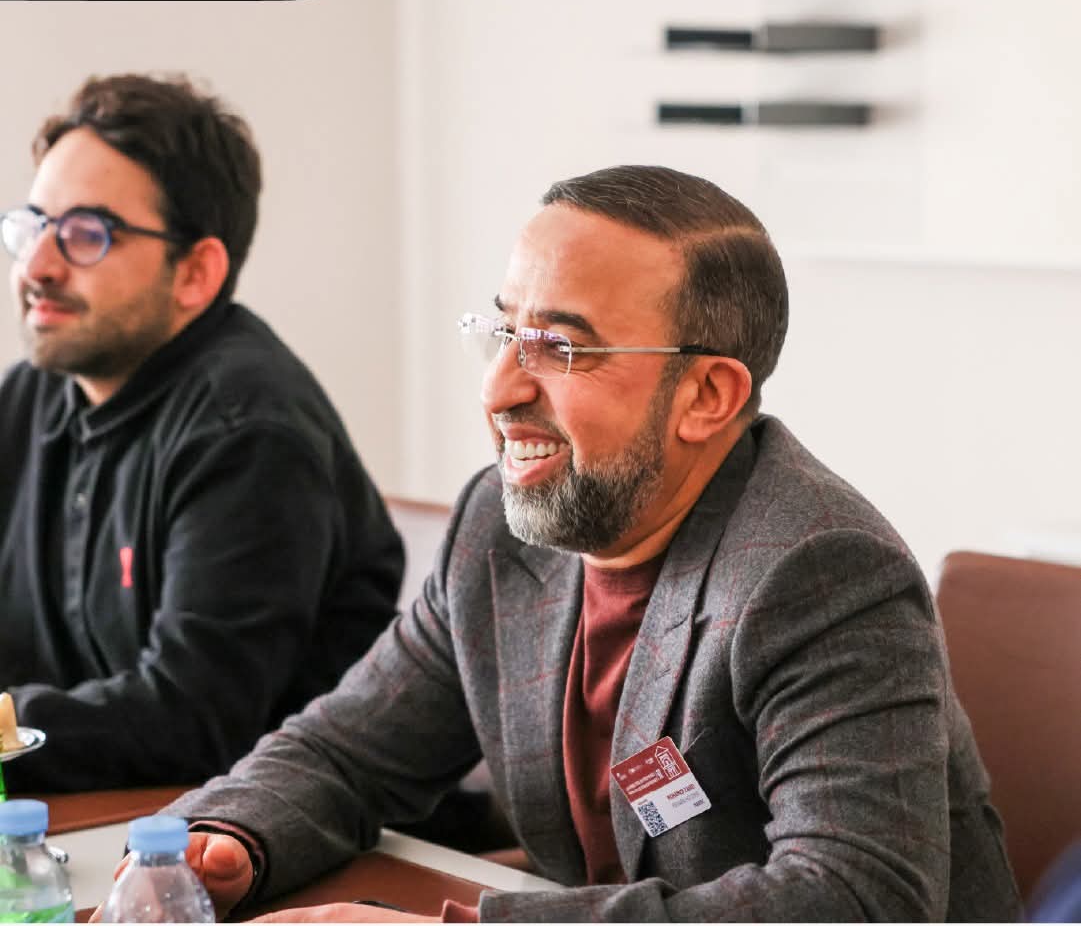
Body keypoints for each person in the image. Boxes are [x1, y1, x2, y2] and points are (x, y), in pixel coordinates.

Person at [163, 165, 1020, 921]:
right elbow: (345, 750)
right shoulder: (499, 528)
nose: (499, 389)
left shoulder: (820, 570)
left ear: (706, 395)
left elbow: (853, 899)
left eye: (559, 348)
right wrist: (226, 839)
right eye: (505, 332)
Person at [0, 74, 404, 792]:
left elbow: (190, 721)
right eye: (32, 226)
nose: (36, 266)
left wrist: (9, 725)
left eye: (85, 234)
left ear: (195, 272)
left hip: (275, 834)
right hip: (92, 816)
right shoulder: (30, 395)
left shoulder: (248, 430)